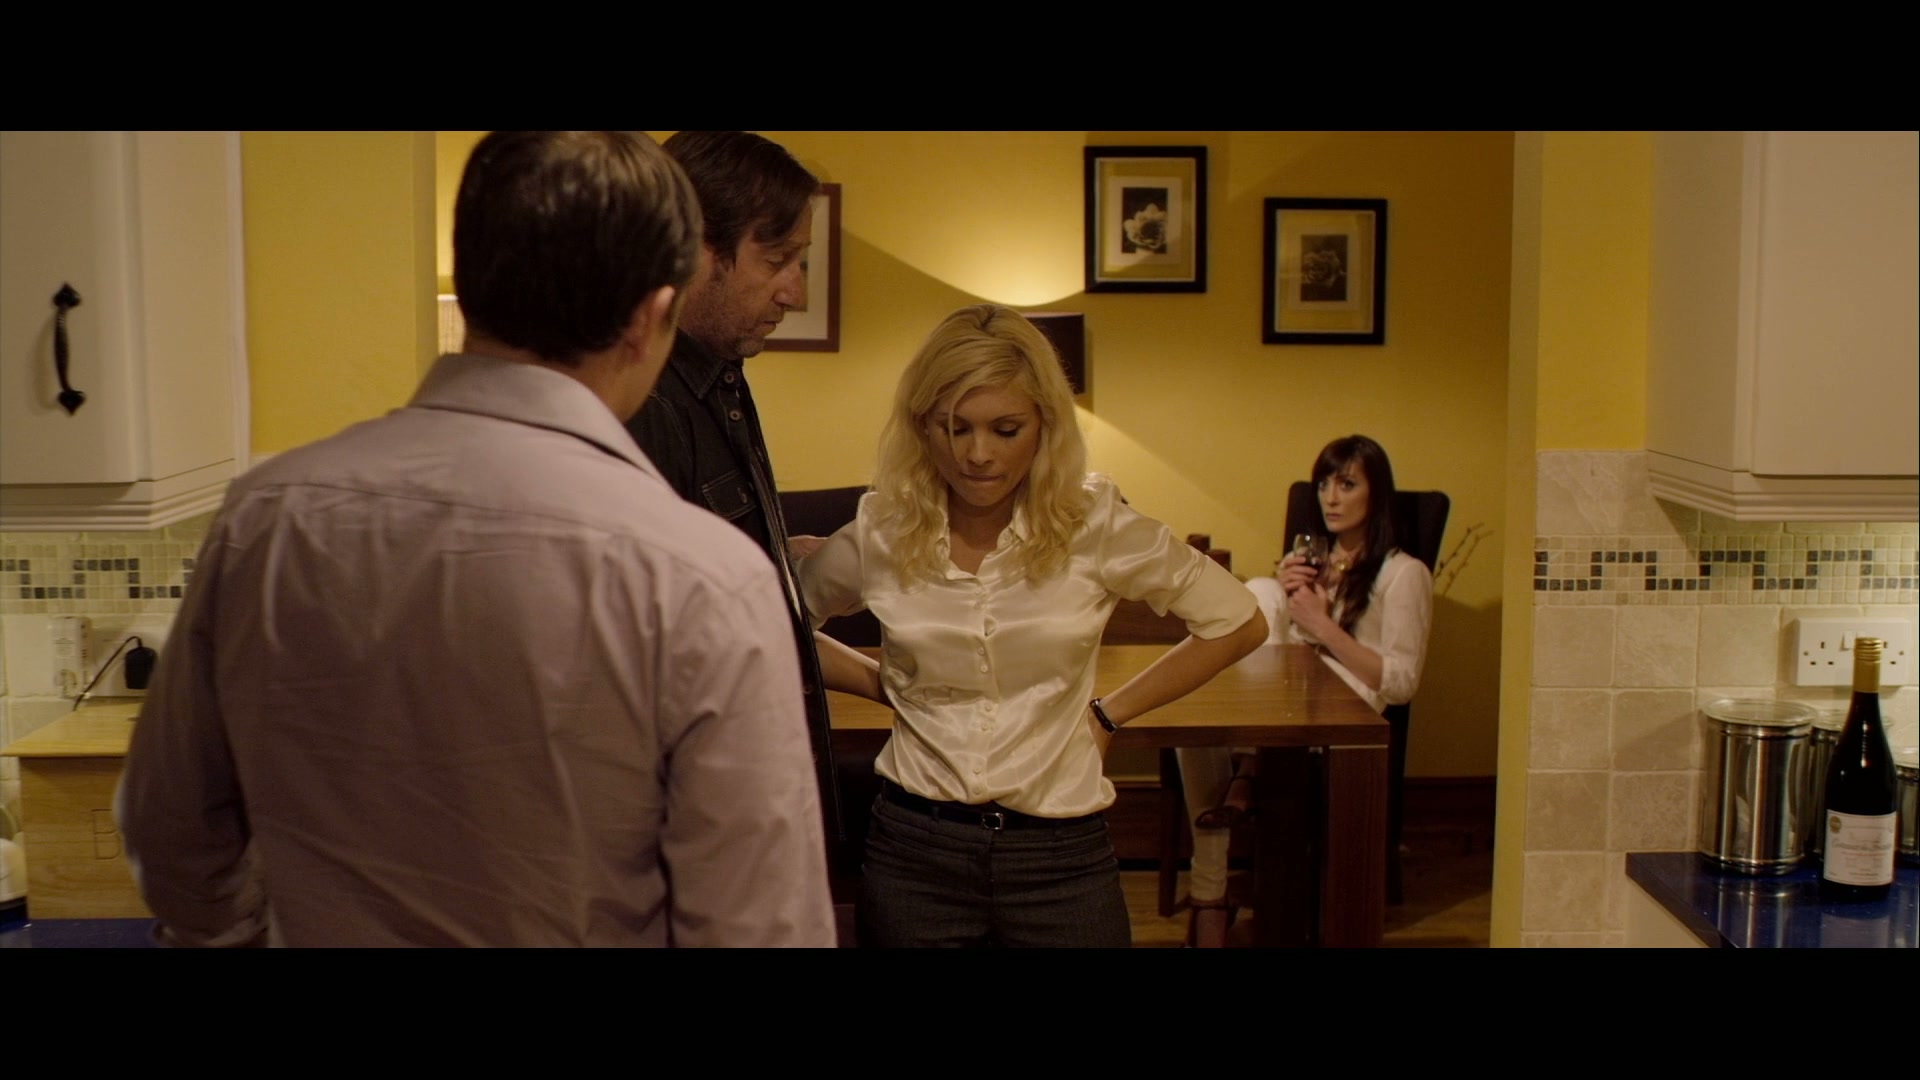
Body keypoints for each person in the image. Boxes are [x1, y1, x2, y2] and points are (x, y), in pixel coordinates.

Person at [115, 130, 836, 947]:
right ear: (649, 315)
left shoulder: (266, 518)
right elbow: (756, 924)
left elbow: (170, 829)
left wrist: (257, 929)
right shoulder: (702, 578)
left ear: (476, 286)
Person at [797, 304, 1268, 948]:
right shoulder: (882, 529)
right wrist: (889, 685)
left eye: (1006, 429)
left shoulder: (1094, 524)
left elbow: (1238, 621)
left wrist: (1109, 715)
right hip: (914, 855)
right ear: (922, 426)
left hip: (1061, 860)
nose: (978, 454)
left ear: (1045, 424)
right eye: (954, 428)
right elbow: (777, 629)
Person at [623, 130, 845, 866]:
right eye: (778, 260)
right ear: (696, 249)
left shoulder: (719, 377)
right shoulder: (647, 405)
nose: (796, 291)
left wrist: (778, 562)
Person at [1177, 434, 1433, 947]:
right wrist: (1287, 592)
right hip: (1291, 694)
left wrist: (1321, 625)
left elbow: (1401, 684)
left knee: (1259, 601)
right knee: (1192, 724)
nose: (1330, 498)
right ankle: (1211, 888)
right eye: (1323, 485)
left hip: (1350, 705)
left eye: (1347, 484)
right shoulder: (1313, 562)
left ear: (1377, 493)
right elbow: (1287, 648)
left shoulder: (1405, 574)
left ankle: (1241, 794)